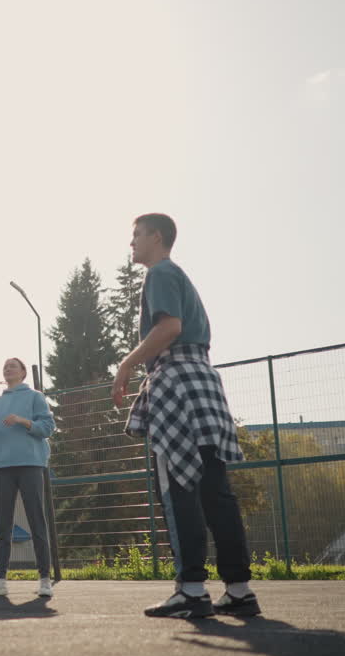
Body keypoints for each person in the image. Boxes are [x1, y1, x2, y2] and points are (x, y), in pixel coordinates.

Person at [111, 213, 260, 618]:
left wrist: (126, 365)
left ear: (156, 237)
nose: (132, 243)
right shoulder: (179, 274)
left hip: (176, 379)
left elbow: (169, 328)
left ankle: (191, 588)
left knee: (178, 489)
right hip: (203, 381)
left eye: (136, 235)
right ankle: (239, 589)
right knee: (216, 492)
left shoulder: (159, 273)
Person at [0, 358, 56, 598]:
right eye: (5, 366)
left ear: (23, 373)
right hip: (2, 465)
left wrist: (23, 421)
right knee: (3, 526)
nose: (8, 368)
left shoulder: (35, 397)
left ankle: (45, 579)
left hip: (30, 464)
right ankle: (0, 580)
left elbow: (47, 427)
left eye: (13, 365)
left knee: (36, 521)